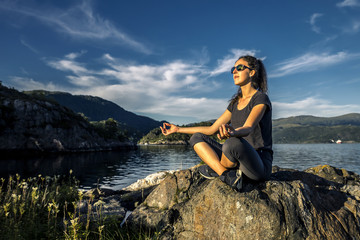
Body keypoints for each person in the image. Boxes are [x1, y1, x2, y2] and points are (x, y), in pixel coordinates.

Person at [160, 55, 272, 191]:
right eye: (233, 69)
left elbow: (248, 127)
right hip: (236, 159)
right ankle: (226, 175)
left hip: (258, 163)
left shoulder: (260, 98)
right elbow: (212, 129)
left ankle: (217, 169)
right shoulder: (235, 103)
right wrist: (177, 129)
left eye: (239, 68)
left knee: (232, 142)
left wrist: (233, 132)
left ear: (252, 72)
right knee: (197, 137)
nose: (234, 72)